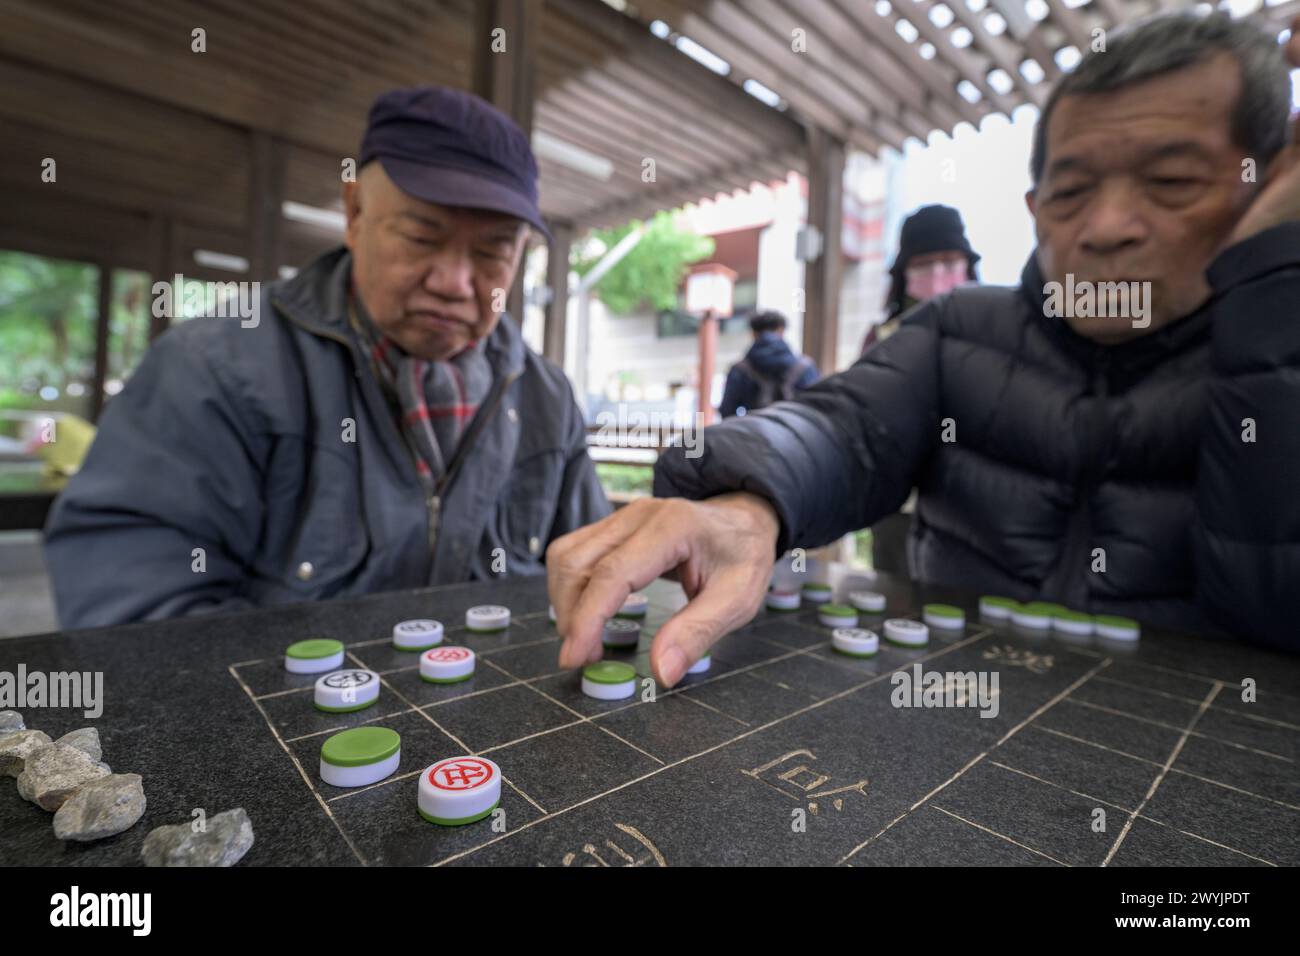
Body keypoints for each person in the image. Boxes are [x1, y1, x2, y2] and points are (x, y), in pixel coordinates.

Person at [547, 12, 1300, 687]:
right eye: (1070, 193)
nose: (1106, 227)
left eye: (1171, 181)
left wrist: (1272, 297)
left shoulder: (1277, 341)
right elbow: (841, 426)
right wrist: (750, 506)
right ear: (1034, 210)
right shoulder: (958, 328)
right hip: (954, 707)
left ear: (1271, 183)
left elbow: (1273, 605)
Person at [44, 86, 611, 629]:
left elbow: (592, 572)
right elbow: (132, 610)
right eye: (420, 236)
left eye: (493, 251)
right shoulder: (214, 369)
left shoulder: (546, 399)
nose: (455, 282)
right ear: (354, 214)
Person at [862, 204, 980, 351]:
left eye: (949, 261)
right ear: (903, 274)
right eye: (923, 264)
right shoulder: (882, 340)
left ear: (968, 266)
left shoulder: (990, 330)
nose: (937, 272)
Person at [719, 310, 819, 417]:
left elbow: (727, 410)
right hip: (794, 430)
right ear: (782, 331)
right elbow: (816, 407)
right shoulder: (805, 367)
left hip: (754, 429)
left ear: (753, 334)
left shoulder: (740, 369)